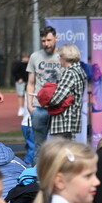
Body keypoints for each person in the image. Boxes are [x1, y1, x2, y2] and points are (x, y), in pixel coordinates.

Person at [26, 26, 59, 157]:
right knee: (39, 147)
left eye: (49, 40)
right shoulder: (35, 56)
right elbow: (31, 82)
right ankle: (37, 175)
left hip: (57, 107)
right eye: (44, 41)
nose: (47, 44)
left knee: (58, 146)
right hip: (39, 108)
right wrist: (29, 105)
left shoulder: (62, 56)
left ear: (56, 38)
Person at [46, 44, 88, 140]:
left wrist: (45, 100)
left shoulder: (70, 73)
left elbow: (58, 97)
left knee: (63, 150)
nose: (59, 60)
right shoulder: (80, 70)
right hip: (72, 116)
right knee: (69, 148)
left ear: (65, 57)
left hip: (64, 118)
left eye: (60, 57)